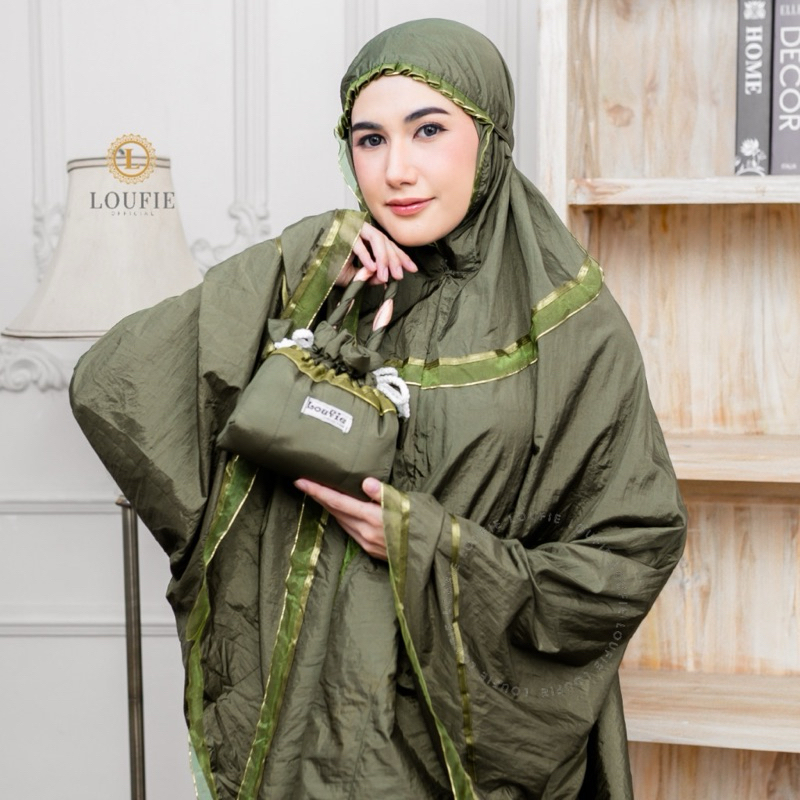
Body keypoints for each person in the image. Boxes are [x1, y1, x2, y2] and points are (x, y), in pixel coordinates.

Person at [70, 18, 686, 800]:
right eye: (369, 140)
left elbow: (630, 551)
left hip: (455, 744)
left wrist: (427, 543)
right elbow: (112, 385)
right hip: (303, 724)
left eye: (428, 130)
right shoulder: (325, 284)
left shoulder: (571, 325)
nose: (396, 170)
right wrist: (296, 257)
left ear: (491, 137)